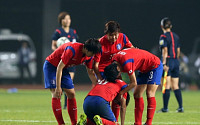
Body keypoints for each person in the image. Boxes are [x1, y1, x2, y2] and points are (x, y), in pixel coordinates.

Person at [43, 38, 101, 125]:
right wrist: (58, 87)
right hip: (51, 66)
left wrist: (98, 87)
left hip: (63, 68)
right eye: (92, 53)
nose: (93, 55)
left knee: (71, 93)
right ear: (86, 49)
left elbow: (90, 73)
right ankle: (61, 123)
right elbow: (59, 68)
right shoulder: (71, 49)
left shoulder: (88, 56)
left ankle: (74, 123)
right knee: (56, 94)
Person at [93, 21, 134, 121]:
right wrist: (100, 79)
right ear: (106, 34)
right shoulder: (101, 43)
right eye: (111, 35)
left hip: (115, 70)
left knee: (118, 95)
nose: (114, 38)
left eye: (116, 35)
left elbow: (131, 50)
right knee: (107, 96)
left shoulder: (123, 37)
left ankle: (114, 121)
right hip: (103, 70)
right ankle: (104, 120)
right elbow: (96, 65)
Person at [112, 48, 163, 125]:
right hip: (143, 69)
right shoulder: (114, 61)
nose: (120, 73)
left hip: (154, 66)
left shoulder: (127, 63)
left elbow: (133, 83)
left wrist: (121, 93)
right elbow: (119, 78)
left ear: (118, 68)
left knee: (149, 93)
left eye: (119, 72)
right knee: (137, 94)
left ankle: (148, 123)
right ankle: (137, 123)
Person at [51, 11, 79, 109]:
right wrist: (59, 52)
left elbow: (76, 46)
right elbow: (53, 46)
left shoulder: (73, 32)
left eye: (69, 18)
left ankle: (66, 105)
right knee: (62, 82)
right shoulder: (58, 32)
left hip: (71, 62)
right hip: (62, 61)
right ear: (61, 20)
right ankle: (59, 100)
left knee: (69, 82)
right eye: (65, 19)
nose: (67, 21)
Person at [157, 17, 184, 113]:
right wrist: (175, 61)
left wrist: (164, 63)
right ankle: (180, 107)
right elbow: (178, 51)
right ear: (171, 26)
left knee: (166, 85)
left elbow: (165, 51)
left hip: (168, 62)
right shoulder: (176, 36)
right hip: (176, 61)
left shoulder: (163, 37)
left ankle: (165, 108)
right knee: (175, 85)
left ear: (161, 26)